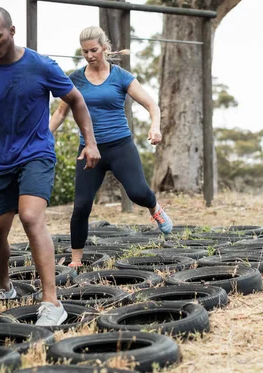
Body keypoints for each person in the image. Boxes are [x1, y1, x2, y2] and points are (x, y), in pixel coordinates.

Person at [0, 7, 100, 325]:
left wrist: (91, 142)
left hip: (36, 154)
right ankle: (5, 288)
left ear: (12, 32)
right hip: (1, 163)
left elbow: (76, 100)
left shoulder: (40, 65)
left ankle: (52, 303)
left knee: (30, 217)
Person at [50, 26, 173, 268]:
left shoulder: (121, 76)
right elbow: (60, 114)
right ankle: (76, 260)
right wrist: (42, 136)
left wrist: (155, 127)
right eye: (84, 52)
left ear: (104, 48)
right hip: (89, 149)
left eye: (93, 50)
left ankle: (155, 208)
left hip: (119, 146)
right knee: (82, 205)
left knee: (138, 192)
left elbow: (152, 105)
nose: (89, 55)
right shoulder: (75, 79)